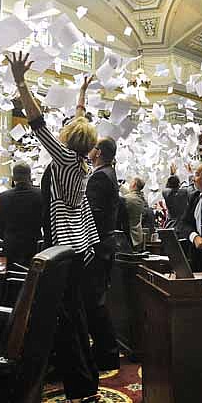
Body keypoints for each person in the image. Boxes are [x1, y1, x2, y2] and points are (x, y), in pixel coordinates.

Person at [8, 51, 101, 403]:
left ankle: (80, 387)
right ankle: (86, 381)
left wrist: (21, 81)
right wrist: (81, 96)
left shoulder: (63, 158)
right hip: (81, 246)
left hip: (65, 248)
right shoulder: (80, 161)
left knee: (67, 319)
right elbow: (79, 124)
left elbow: (37, 121)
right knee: (75, 314)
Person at [85, 136, 120, 370]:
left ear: (98, 152)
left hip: (97, 246)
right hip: (105, 244)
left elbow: (93, 215)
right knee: (95, 301)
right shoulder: (109, 173)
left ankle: (107, 353)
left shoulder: (99, 176)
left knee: (94, 302)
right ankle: (105, 351)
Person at [0, 162, 43, 267]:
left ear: (13, 177)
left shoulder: (2, 197)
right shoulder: (41, 194)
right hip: (34, 245)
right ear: (30, 176)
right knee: (32, 279)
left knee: (10, 277)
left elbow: (0, 224)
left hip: (11, 245)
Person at [162, 164, 190, 231]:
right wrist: (189, 173)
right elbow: (191, 187)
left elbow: (167, 188)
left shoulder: (166, 193)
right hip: (183, 226)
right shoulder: (184, 192)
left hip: (170, 225)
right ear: (179, 184)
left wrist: (172, 174)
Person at [124, 177, 146, 249]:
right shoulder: (140, 197)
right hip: (138, 235)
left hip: (130, 236)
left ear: (133, 184)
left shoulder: (129, 199)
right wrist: (120, 186)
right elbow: (130, 193)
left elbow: (126, 197)